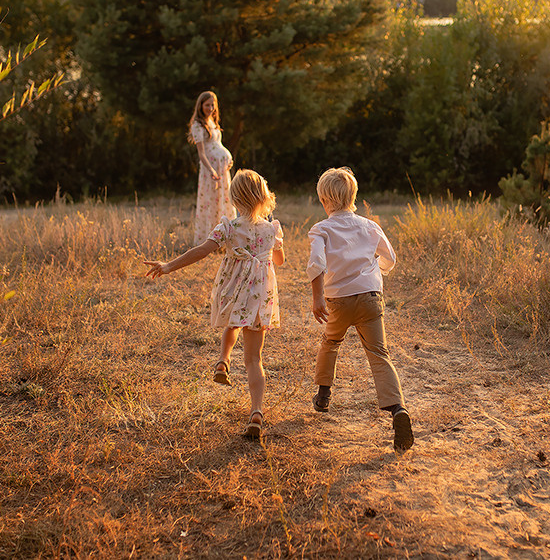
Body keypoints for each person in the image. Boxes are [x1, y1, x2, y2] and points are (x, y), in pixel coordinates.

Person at [145, 169, 284, 439]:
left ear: (234, 198)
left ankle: (223, 360)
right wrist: (268, 248)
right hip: (260, 296)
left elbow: (202, 250)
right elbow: (279, 261)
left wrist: (169, 266)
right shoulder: (272, 229)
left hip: (234, 292)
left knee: (232, 323)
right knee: (255, 359)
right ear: (264, 197)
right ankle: (256, 411)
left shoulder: (229, 227)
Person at [306, 167, 414, 453]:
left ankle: (323, 395)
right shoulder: (369, 226)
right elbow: (390, 258)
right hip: (370, 298)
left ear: (323, 200)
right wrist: (373, 272)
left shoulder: (321, 229)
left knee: (330, 343)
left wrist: (318, 298)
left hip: (338, 301)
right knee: (379, 353)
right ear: (353, 196)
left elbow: (316, 264)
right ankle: (398, 409)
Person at [189, 90, 235, 243]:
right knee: (212, 202)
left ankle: (225, 238)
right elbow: (202, 153)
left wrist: (228, 159)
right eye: (206, 105)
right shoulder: (198, 125)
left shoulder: (213, 122)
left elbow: (218, 145)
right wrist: (212, 170)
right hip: (211, 170)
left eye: (212, 105)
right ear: (200, 106)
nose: (209, 108)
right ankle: (211, 240)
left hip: (222, 169)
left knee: (223, 200)